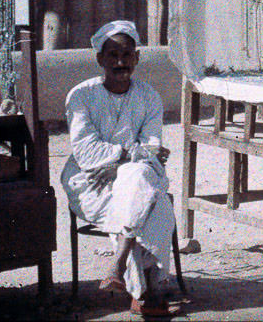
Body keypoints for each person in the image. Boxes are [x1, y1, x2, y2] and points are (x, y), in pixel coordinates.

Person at [60, 20, 176, 317]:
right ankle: (152, 286)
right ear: (100, 58)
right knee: (147, 193)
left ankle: (121, 266)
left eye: (127, 55)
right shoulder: (81, 96)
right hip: (91, 182)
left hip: (134, 177)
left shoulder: (149, 96)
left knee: (136, 180)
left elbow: (154, 152)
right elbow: (86, 153)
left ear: (137, 58)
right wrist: (130, 154)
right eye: (112, 55)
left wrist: (123, 162)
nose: (120, 62)